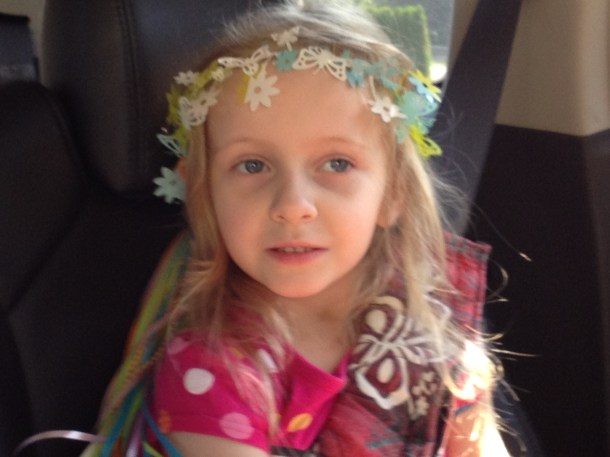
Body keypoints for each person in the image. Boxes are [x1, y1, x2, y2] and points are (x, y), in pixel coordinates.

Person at [83, 1, 511, 456]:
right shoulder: (210, 370)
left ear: (393, 193)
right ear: (203, 193)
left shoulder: (431, 324)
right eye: (252, 165)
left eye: (337, 163)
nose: (293, 206)